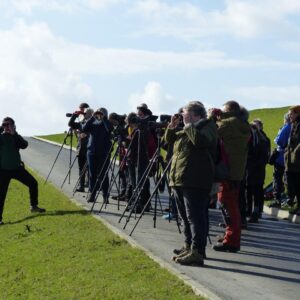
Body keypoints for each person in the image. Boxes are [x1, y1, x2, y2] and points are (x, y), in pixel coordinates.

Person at [164, 101, 218, 266]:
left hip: (196, 180)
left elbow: (201, 142)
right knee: (185, 217)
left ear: (195, 114)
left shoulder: (207, 127)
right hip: (181, 178)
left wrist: (188, 126)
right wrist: (172, 127)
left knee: (195, 218)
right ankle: (188, 246)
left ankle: (198, 252)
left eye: (185, 113)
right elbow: (169, 143)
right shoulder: (187, 128)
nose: (182, 115)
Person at [213, 100, 250, 253]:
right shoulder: (243, 125)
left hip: (226, 170)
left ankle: (232, 240)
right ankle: (231, 236)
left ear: (229, 110)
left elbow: (211, 134)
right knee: (231, 205)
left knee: (227, 205)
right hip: (237, 171)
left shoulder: (228, 123)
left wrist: (212, 118)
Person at [0, 117, 45, 225]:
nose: (6, 127)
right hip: (3, 171)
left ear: (13, 126)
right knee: (1, 195)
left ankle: (34, 206)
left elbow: (24, 145)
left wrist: (14, 133)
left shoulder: (16, 137)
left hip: (17, 168)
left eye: (8, 125)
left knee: (33, 183)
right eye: (4, 124)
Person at [82, 107, 113, 203]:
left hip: (103, 153)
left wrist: (103, 118)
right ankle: (92, 195)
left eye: (101, 113)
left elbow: (109, 129)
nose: (99, 115)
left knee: (103, 175)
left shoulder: (107, 123)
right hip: (91, 152)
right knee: (92, 175)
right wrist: (92, 117)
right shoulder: (93, 122)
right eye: (98, 113)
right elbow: (84, 129)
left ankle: (105, 196)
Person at [246, 119, 270, 222]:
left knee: (256, 190)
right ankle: (250, 210)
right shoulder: (256, 139)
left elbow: (264, 156)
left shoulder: (262, 140)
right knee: (250, 190)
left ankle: (256, 211)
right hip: (254, 168)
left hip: (256, 168)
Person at [269, 113, 291, 208]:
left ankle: (277, 199)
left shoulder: (286, 127)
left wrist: (276, 138)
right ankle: (289, 199)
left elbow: (279, 141)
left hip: (281, 157)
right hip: (290, 158)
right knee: (288, 179)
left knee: (277, 178)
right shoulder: (294, 127)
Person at [68, 103, 92, 192]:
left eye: (88, 113)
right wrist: (75, 115)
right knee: (81, 168)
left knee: (90, 169)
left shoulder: (93, 123)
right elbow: (70, 123)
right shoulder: (81, 123)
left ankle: (90, 187)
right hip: (81, 149)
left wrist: (87, 135)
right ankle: (81, 186)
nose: (86, 115)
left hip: (89, 149)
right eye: (85, 113)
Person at [285, 105, 300, 215]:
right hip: (292, 160)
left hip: (297, 160)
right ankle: (297, 205)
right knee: (294, 184)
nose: (289, 116)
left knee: (298, 184)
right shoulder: (293, 125)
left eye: (291, 113)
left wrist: (294, 153)